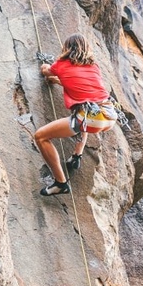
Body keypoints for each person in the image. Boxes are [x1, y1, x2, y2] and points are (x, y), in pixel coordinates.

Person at [35, 34, 118, 196]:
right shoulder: (94, 67)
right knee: (84, 113)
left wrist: (45, 65)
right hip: (109, 116)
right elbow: (78, 86)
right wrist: (57, 81)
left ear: (66, 48)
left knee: (40, 137)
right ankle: (76, 156)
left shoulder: (61, 65)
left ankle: (60, 183)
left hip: (92, 118)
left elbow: (46, 71)